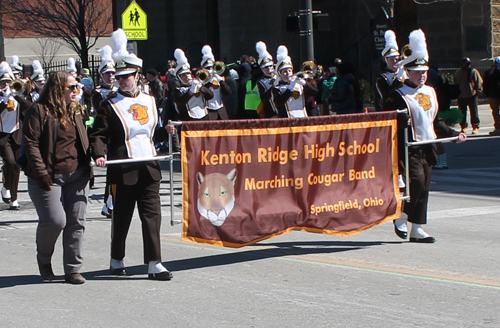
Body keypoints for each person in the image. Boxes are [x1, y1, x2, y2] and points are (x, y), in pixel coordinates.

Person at [90, 28, 173, 281]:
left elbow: (151, 134)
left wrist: (165, 132)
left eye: (127, 76)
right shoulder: (109, 103)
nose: (122, 80)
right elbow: (99, 134)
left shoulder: (149, 100)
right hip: (123, 167)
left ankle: (154, 263)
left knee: (152, 217)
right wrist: (99, 154)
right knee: (122, 217)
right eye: (119, 76)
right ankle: (117, 258)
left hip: (148, 166)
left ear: (137, 76)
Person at [385, 29, 466, 243]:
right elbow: (388, 120)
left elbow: (435, 121)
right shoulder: (398, 93)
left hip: (428, 145)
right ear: (407, 72)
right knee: (416, 183)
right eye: (417, 72)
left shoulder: (430, 91)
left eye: (424, 71)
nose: (422, 75)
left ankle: (417, 228)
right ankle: (401, 215)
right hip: (408, 146)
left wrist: (453, 135)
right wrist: (402, 120)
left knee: (425, 185)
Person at [23, 70, 91, 284]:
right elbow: (31, 144)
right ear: (57, 89)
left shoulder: (77, 110)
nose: (76, 90)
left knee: (76, 222)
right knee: (55, 221)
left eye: (77, 86)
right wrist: (41, 173)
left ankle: (73, 269)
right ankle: (44, 258)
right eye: (71, 87)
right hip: (48, 176)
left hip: (77, 174)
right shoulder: (38, 110)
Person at [91, 45, 118, 218]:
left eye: (113, 73)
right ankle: (109, 202)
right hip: (104, 133)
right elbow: (99, 107)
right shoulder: (97, 93)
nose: (111, 76)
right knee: (112, 168)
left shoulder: (119, 90)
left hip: (118, 133)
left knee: (116, 168)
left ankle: (110, 202)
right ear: (101, 76)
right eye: (108, 73)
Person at [0, 62, 22, 210]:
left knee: (17, 166)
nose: (6, 84)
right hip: (2, 134)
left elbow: (27, 108)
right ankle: (6, 185)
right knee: (9, 162)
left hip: (17, 132)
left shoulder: (16, 94)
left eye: (8, 81)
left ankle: (14, 197)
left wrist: (17, 96)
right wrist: (5, 100)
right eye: (3, 82)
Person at [273, 45, 317, 118]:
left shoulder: (299, 85)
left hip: (303, 118)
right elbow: (279, 102)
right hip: (286, 120)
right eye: (284, 71)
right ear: (279, 74)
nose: (288, 73)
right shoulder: (276, 88)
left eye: (290, 70)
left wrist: (304, 83)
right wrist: (290, 87)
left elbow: (314, 92)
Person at [171, 48, 213, 121]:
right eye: (183, 75)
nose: (187, 76)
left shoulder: (197, 85)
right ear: (179, 78)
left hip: (204, 118)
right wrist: (190, 91)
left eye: (188, 74)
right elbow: (180, 101)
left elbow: (210, 95)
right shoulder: (177, 90)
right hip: (188, 120)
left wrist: (200, 87)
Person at [375, 30, 405, 111]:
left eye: (397, 59)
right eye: (392, 59)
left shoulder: (404, 72)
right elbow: (387, 95)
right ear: (386, 60)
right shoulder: (382, 77)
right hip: (392, 110)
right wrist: (398, 79)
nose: (395, 62)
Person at [200, 45, 231, 120]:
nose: (210, 70)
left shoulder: (218, 78)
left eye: (212, 67)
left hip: (221, 110)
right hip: (208, 110)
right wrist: (208, 81)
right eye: (207, 68)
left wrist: (221, 81)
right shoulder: (200, 80)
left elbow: (228, 92)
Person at [454, 57, 483, 134]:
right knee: (462, 112)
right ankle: (463, 127)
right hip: (461, 95)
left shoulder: (473, 71)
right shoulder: (458, 72)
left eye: (468, 63)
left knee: (474, 112)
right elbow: (455, 83)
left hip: (472, 95)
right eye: (466, 63)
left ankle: (475, 126)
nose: (467, 65)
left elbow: (479, 82)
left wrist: (479, 91)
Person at [253, 41, 278, 118]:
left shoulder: (279, 76)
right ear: (262, 69)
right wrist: (273, 84)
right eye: (266, 67)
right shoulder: (261, 81)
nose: (269, 69)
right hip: (271, 112)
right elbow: (264, 97)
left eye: (271, 66)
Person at [482, 57, 500, 136]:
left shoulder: (489, 72)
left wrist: (486, 93)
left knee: (495, 111)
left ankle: (498, 128)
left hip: (492, 94)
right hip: (493, 94)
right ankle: (498, 128)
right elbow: (486, 83)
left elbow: (485, 83)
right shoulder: (489, 72)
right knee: (495, 111)